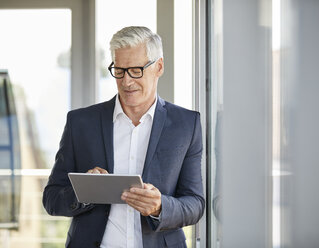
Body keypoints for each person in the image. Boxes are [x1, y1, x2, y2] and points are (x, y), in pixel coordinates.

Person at [42, 26, 204, 248]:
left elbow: (195, 204)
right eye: (119, 70)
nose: (126, 81)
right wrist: (85, 192)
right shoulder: (80, 123)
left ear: (159, 67)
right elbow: (52, 199)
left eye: (136, 70)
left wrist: (160, 207)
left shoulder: (187, 124)